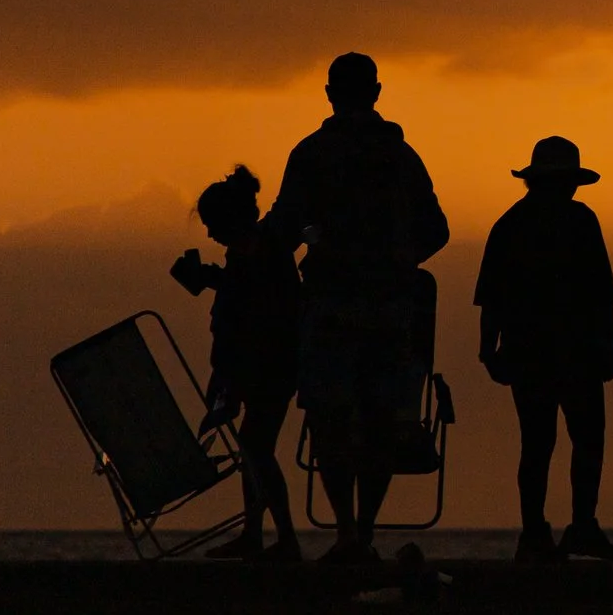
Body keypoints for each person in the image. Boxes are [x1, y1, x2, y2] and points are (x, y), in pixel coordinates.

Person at [262, 52, 449, 565]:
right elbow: (437, 229)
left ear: (328, 93)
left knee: (330, 417)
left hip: (331, 305)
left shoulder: (313, 153)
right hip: (391, 309)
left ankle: (346, 531)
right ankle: (362, 532)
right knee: (380, 419)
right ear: (377, 91)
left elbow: (283, 226)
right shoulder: (402, 157)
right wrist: (398, 263)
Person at [475, 136, 613, 563]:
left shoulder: (510, 225)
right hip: (571, 352)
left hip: (534, 353)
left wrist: (489, 349)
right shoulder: (579, 221)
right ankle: (570, 527)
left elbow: (491, 299)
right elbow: (602, 294)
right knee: (579, 441)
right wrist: (608, 343)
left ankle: (542, 532)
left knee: (541, 443)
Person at [169, 166, 303, 562]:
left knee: (257, 449)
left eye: (212, 224)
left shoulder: (263, 252)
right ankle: (257, 535)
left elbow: (259, 309)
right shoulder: (256, 251)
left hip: (267, 367)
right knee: (253, 448)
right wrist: (212, 277)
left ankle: (283, 540)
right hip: (260, 366)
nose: (210, 234)